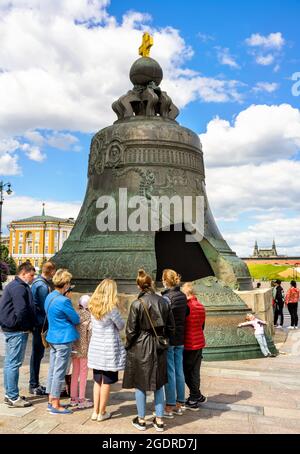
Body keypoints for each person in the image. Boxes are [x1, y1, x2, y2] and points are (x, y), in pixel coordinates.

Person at [123, 269, 175, 432]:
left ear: (138, 286)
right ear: (151, 284)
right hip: (159, 345)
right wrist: (163, 338)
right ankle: (159, 420)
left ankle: (141, 419)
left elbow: (130, 331)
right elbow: (172, 327)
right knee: (158, 384)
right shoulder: (164, 302)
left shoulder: (137, 304)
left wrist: (128, 346)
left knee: (140, 384)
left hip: (141, 346)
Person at [88, 279, 126, 422]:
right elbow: (121, 326)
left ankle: (94, 411)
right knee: (106, 382)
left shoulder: (92, 305)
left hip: (96, 348)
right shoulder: (112, 309)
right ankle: (102, 412)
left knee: (97, 381)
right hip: (109, 349)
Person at [0, 262, 36, 407]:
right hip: (16, 330)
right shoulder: (19, 287)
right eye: (31, 275)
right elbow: (21, 310)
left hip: (11, 328)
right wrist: (26, 326)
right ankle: (13, 397)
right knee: (13, 363)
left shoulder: (14, 285)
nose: (33, 278)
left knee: (10, 363)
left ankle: (10, 394)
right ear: (23, 273)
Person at [45, 269, 80, 415]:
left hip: (52, 336)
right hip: (63, 339)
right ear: (65, 284)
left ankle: (50, 399)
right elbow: (76, 319)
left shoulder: (50, 296)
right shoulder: (64, 300)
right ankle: (56, 403)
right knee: (60, 371)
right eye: (69, 283)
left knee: (53, 369)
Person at [161, 269, 187, 418]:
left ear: (165, 281)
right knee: (179, 370)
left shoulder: (166, 298)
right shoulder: (183, 296)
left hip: (170, 339)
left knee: (170, 371)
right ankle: (180, 403)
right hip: (180, 338)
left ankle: (169, 405)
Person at [29, 261, 56, 396]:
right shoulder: (42, 286)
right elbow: (47, 306)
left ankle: (35, 383)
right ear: (50, 271)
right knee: (37, 354)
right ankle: (34, 384)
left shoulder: (39, 283)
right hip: (40, 324)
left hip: (38, 323)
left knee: (37, 354)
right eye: (54, 272)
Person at [182, 282, 207, 411]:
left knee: (185, 372)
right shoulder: (201, 306)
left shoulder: (186, 307)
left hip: (189, 343)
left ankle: (194, 398)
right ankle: (196, 396)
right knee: (195, 372)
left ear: (186, 294)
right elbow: (202, 326)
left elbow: (183, 326)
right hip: (199, 342)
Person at [70, 295, 93, 408]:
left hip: (74, 348)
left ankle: (73, 398)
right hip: (85, 349)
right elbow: (90, 335)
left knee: (75, 372)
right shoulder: (90, 316)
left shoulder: (75, 314)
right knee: (83, 373)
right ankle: (82, 398)